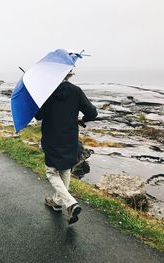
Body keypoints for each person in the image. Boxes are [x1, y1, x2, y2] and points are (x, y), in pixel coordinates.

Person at [35, 71, 97, 224]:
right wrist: (83, 119)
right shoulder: (76, 91)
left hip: (51, 137)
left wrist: (37, 98)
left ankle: (70, 202)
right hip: (70, 137)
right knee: (65, 169)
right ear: (68, 75)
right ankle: (57, 202)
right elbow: (92, 112)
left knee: (51, 172)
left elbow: (38, 116)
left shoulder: (47, 92)